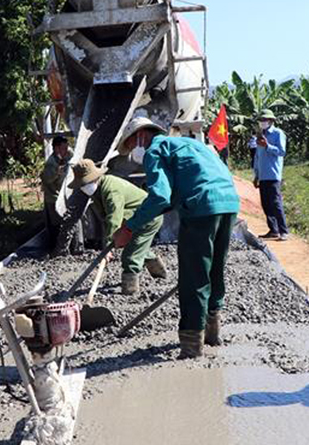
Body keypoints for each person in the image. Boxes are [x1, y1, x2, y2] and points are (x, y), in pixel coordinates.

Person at [112, 117, 240, 359]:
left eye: (130, 145)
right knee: (214, 270)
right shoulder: (192, 145)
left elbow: (159, 197)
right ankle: (213, 333)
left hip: (202, 207)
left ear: (140, 136)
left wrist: (128, 228)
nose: (133, 152)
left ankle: (192, 345)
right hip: (229, 203)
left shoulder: (155, 150)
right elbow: (172, 196)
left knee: (194, 277)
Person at [70, 159, 166, 294]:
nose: (84, 187)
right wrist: (108, 243)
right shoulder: (97, 193)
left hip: (149, 217)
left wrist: (109, 245)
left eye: (86, 183)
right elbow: (106, 219)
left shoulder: (111, 189)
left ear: (95, 179)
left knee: (130, 255)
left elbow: (114, 218)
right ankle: (158, 271)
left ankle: (130, 289)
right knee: (135, 246)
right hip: (133, 219)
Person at [252, 109, 289, 241]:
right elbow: (258, 156)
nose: (262, 122)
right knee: (266, 204)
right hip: (262, 175)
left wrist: (268, 146)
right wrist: (256, 174)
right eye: (261, 120)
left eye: (265, 120)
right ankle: (273, 230)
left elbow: (281, 152)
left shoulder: (278, 134)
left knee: (275, 203)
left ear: (271, 121)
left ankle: (283, 230)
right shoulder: (260, 135)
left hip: (273, 174)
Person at [41, 136, 72, 249]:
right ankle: (55, 249)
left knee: (63, 223)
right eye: (64, 148)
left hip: (62, 196)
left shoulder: (65, 158)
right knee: (55, 226)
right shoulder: (51, 163)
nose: (66, 151)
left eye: (67, 148)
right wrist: (56, 173)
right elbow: (47, 179)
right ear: (56, 149)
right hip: (53, 198)